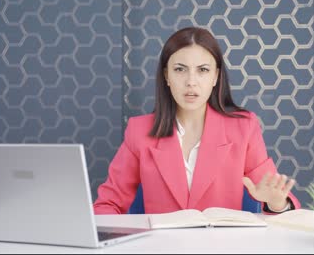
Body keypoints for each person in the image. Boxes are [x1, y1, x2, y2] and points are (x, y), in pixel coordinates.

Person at [93, 27, 301, 214]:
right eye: (180, 69)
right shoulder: (139, 130)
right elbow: (107, 205)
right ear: (166, 76)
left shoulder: (244, 127)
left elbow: (279, 196)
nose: (191, 82)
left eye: (202, 70)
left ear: (215, 77)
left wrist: (277, 203)